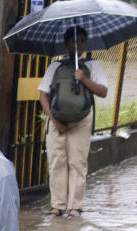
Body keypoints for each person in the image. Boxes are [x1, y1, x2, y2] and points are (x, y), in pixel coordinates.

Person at [38, 26, 108, 218]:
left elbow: (103, 92)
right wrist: (54, 121)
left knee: (77, 163)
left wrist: (84, 79)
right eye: (75, 41)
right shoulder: (55, 66)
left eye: (83, 40)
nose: (79, 45)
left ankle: (75, 207)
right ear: (66, 43)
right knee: (56, 163)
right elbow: (43, 95)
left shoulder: (93, 65)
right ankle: (57, 205)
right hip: (56, 122)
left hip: (82, 121)